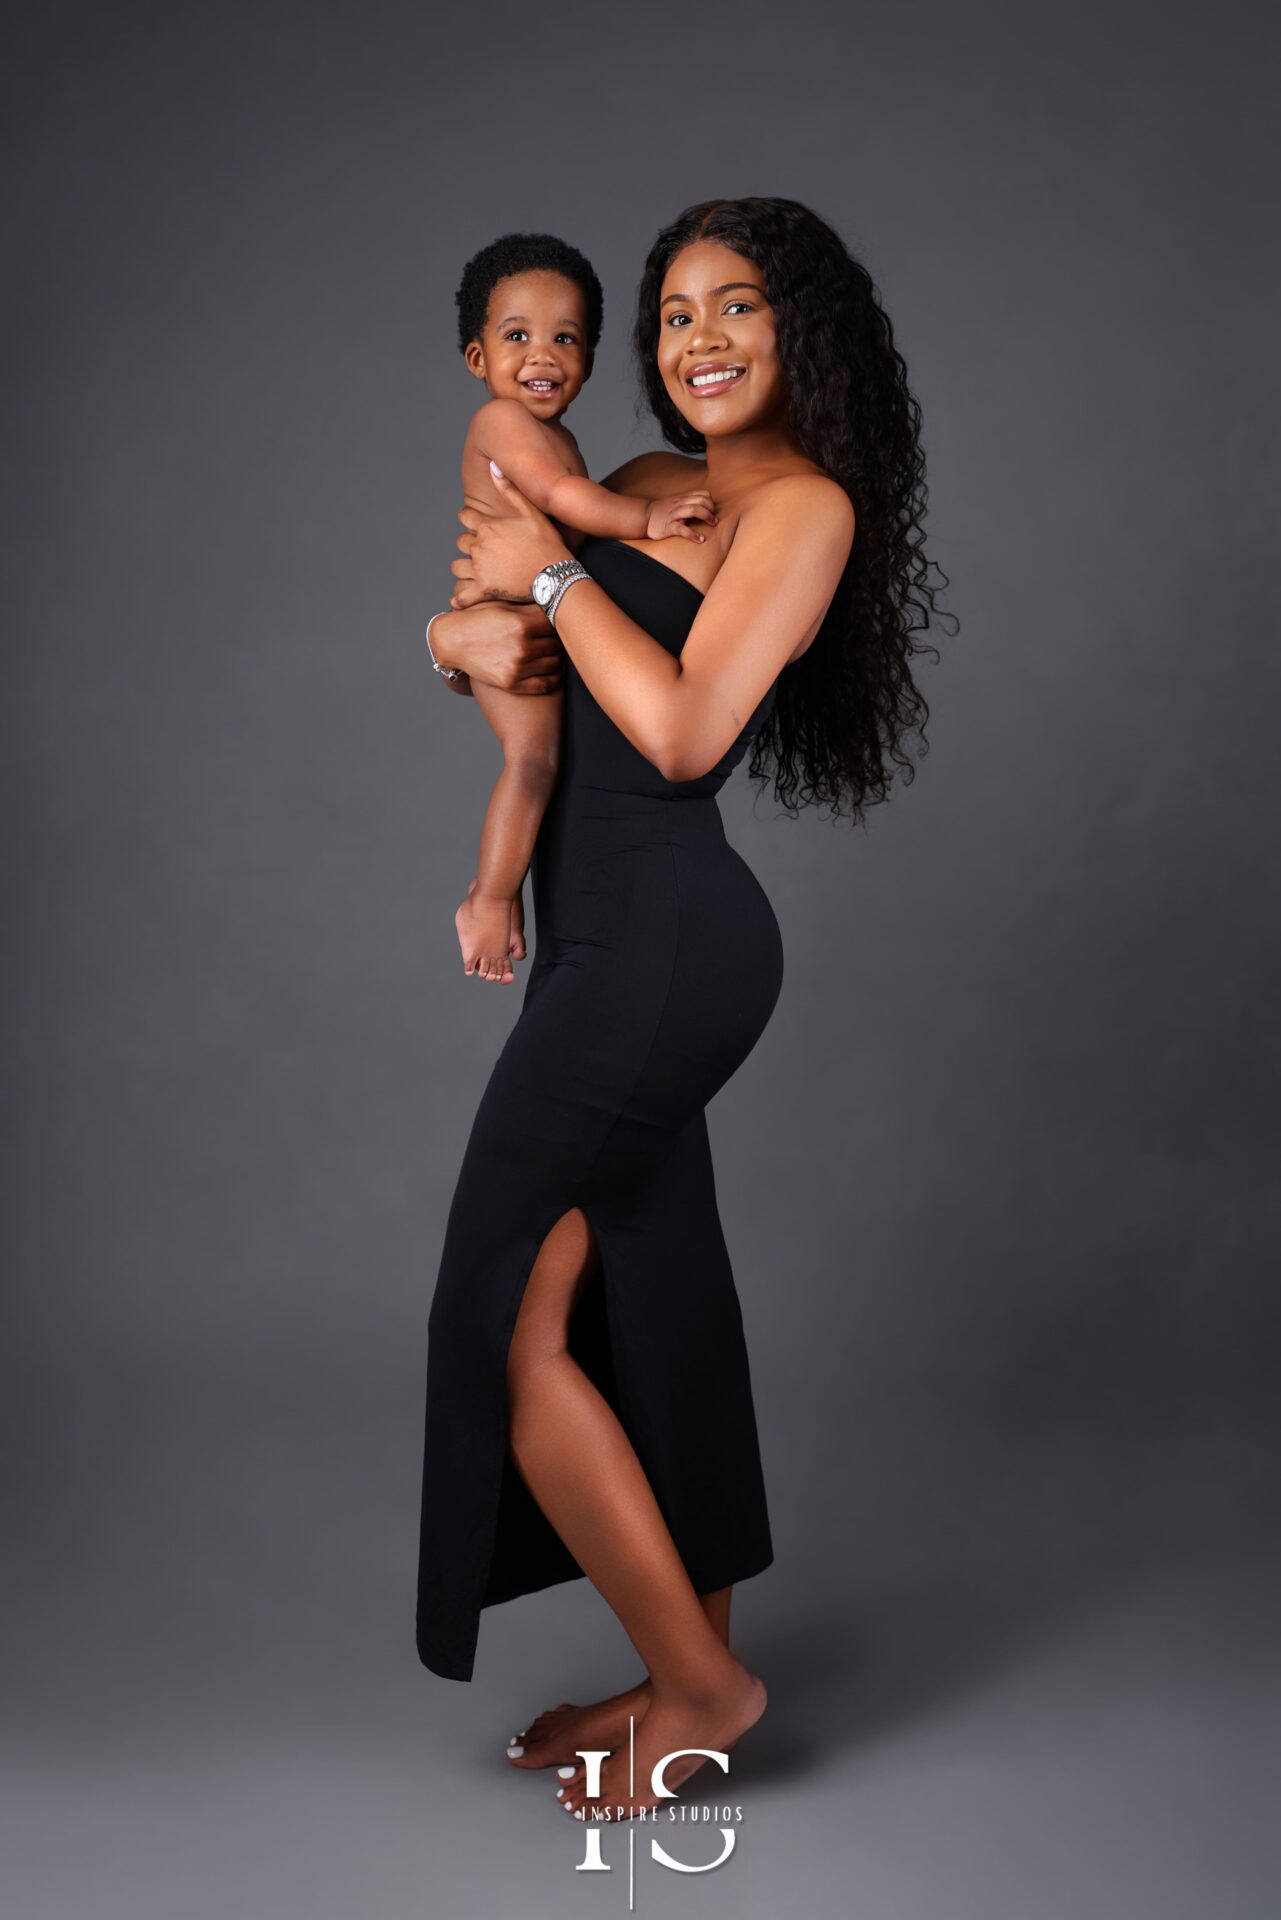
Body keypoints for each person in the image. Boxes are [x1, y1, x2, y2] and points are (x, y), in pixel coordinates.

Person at [417, 196, 952, 1824]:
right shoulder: (644, 488)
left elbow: (683, 735)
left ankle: (708, 1679)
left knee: (498, 1320)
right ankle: (677, 1681)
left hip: (664, 942)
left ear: (803, 331)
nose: (697, 339)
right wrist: (464, 634)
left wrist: (550, 588)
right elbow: (518, 650)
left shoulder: (802, 507)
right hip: (604, 938)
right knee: (653, 1307)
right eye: (670, 315)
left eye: (738, 307)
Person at [445, 232, 716, 985]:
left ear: (589, 360)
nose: (543, 355)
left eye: (564, 338)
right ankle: (490, 901)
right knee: (532, 764)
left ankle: (507, 889)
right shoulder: (501, 425)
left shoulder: (558, 436)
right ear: (479, 360)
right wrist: (648, 518)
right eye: (518, 337)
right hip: (510, 620)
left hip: (533, 620)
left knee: (548, 767)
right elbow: (566, 503)